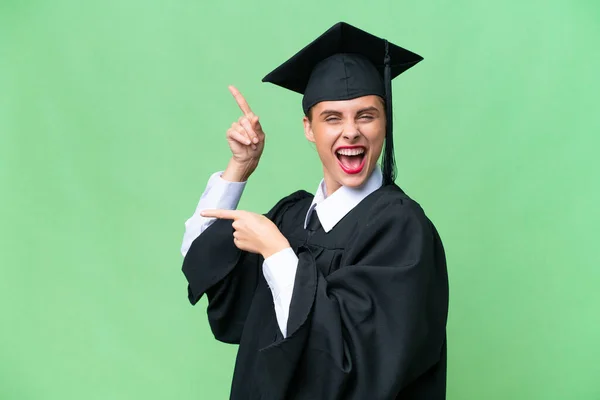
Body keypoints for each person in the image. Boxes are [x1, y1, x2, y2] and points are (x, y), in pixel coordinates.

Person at [180, 22, 449, 400]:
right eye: (333, 118)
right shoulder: (292, 217)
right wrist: (238, 168)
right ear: (309, 128)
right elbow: (203, 264)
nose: (351, 132)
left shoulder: (401, 229)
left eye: (366, 115)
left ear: (385, 123)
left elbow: (362, 368)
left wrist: (277, 254)